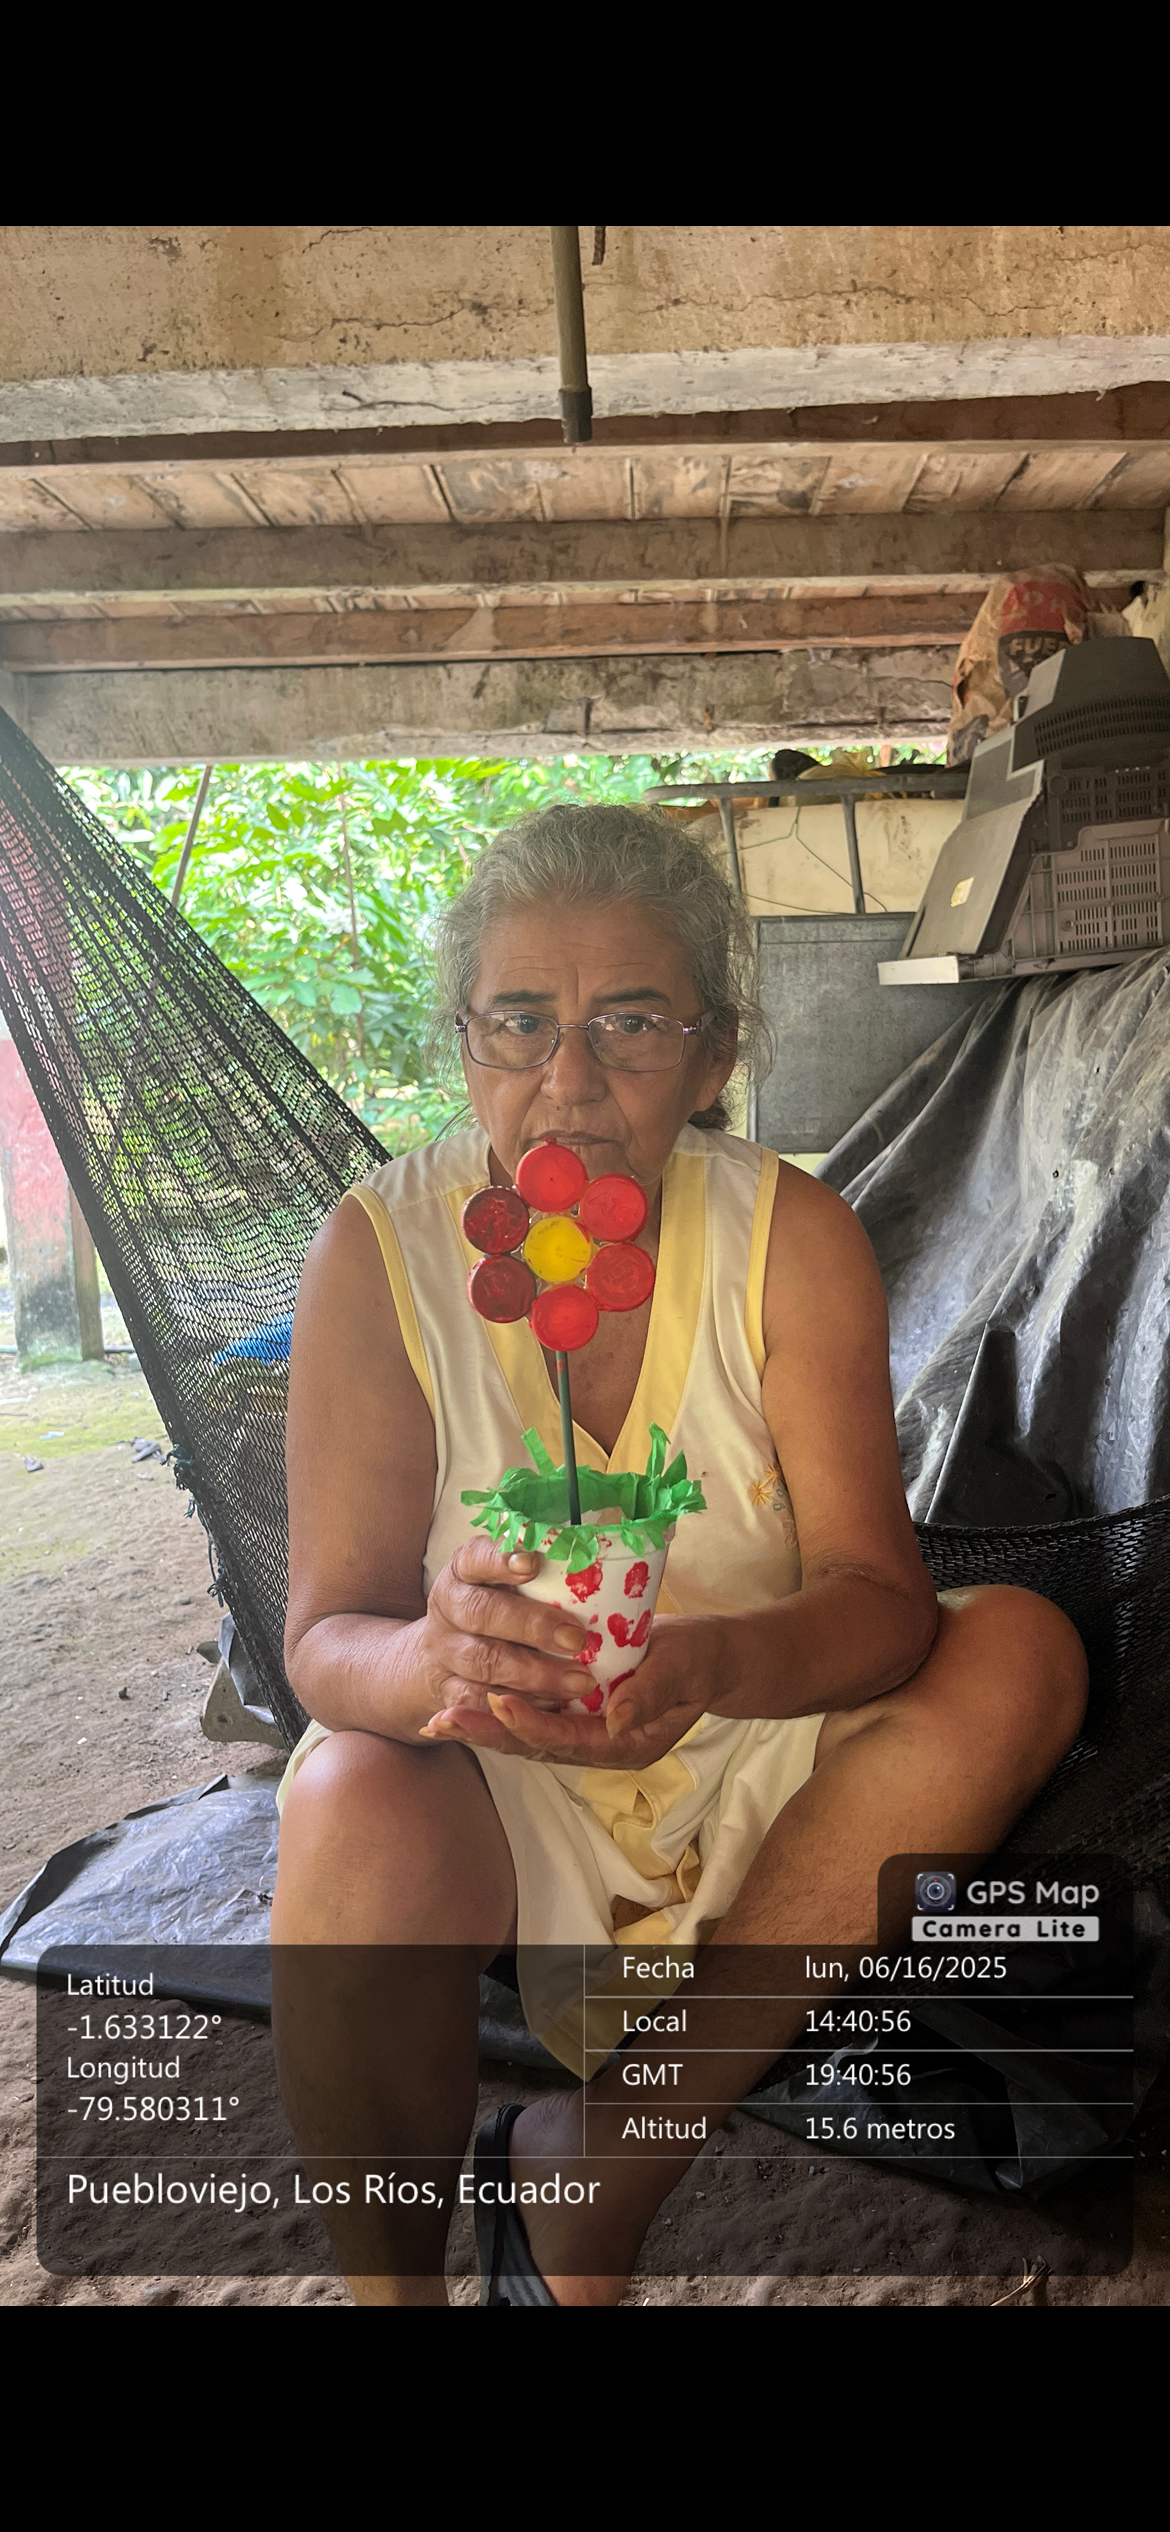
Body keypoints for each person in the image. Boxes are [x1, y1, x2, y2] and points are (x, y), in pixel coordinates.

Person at [270, 803, 1087, 2307]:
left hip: (757, 1732)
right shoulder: (378, 1255)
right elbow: (324, 1643)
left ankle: (600, 2170)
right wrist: (433, 1658)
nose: (567, 1078)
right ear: (467, 1044)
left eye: (632, 1023)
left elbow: (880, 1604)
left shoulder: (791, 1236)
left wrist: (710, 1664)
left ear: (715, 1059)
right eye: (521, 1020)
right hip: (501, 1772)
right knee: (345, 1796)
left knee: (1019, 1650)